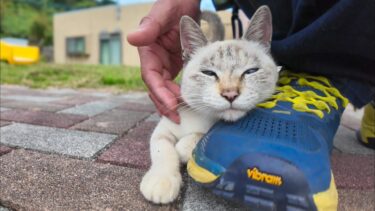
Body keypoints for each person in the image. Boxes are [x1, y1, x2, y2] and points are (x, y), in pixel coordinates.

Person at [128, 0, 375, 210]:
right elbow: (163, 136)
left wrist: (191, 141)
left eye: (250, 71)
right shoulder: (187, 108)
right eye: (209, 74)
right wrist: (165, 166)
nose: (230, 91)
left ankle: (318, 78)